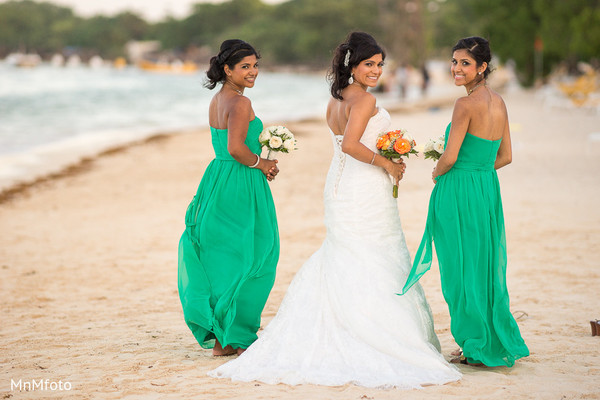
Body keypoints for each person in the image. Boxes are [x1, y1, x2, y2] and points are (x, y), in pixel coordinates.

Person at [208, 32, 461, 388]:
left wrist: (385, 155)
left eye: (379, 65)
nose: (376, 71)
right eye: (369, 64)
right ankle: (372, 333)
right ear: (352, 66)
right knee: (371, 256)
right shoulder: (365, 101)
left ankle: (338, 324)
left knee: (351, 254)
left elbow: (345, 142)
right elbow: (354, 146)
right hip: (362, 186)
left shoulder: (335, 99)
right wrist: (387, 163)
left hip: (339, 187)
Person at [400, 36, 529, 367]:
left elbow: (450, 156)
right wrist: (478, 171)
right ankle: (487, 337)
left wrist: (438, 171)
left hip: (458, 190)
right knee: (483, 265)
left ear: (482, 67)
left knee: (459, 268)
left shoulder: (464, 105)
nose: (456, 68)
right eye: (454, 61)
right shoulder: (499, 102)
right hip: (486, 189)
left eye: (465, 63)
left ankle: (474, 343)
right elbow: (506, 156)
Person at [178, 39, 280, 357]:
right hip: (240, 183)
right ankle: (233, 334)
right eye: (245, 67)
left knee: (226, 256)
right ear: (228, 69)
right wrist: (262, 163)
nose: (253, 72)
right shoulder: (240, 103)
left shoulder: (218, 100)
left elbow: (227, 147)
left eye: (255, 65)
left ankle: (226, 337)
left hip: (218, 179)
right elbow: (236, 149)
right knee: (260, 252)